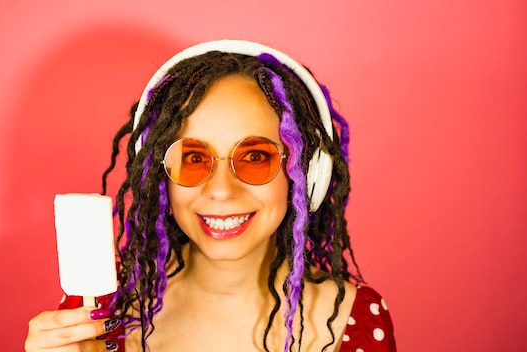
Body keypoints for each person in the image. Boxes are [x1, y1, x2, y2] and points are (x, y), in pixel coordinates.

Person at [25, 39, 396, 352]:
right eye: (193, 158)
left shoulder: (355, 319)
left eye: (254, 157)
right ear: (160, 177)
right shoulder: (102, 313)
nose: (220, 190)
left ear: (305, 174)